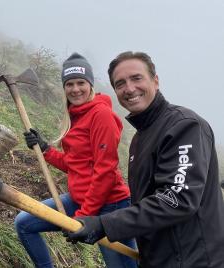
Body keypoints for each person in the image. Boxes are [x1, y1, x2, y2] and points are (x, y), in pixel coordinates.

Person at [65, 51, 224, 268]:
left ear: (155, 81)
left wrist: (104, 224)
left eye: (136, 78)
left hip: (193, 260)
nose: (129, 89)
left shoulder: (184, 126)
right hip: (159, 259)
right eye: (120, 84)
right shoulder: (140, 139)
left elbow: (176, 199)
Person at [14, 52, 138, 268]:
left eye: (81, 82)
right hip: (81, 199)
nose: (75, 89)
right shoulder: (76, 114)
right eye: (69, 84)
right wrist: (45, 149)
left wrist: (83, 216)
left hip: (111, 206)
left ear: (90, 84)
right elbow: (75, 165)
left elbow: (105, 172)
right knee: (24, 223)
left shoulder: (101, 115)